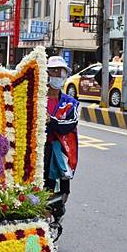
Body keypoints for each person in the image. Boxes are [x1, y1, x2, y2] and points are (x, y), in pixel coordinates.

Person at [44, 55, 79, 228]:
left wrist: (51, 121)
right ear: (47, 73)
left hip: (60, 154)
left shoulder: (70, 103)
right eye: (54, 71)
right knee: (42, 189)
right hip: (40, 151)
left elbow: (70, 125)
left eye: (61, 72)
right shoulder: (37, 99)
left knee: (61, 191)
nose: (58, 75)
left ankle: (56, 218)